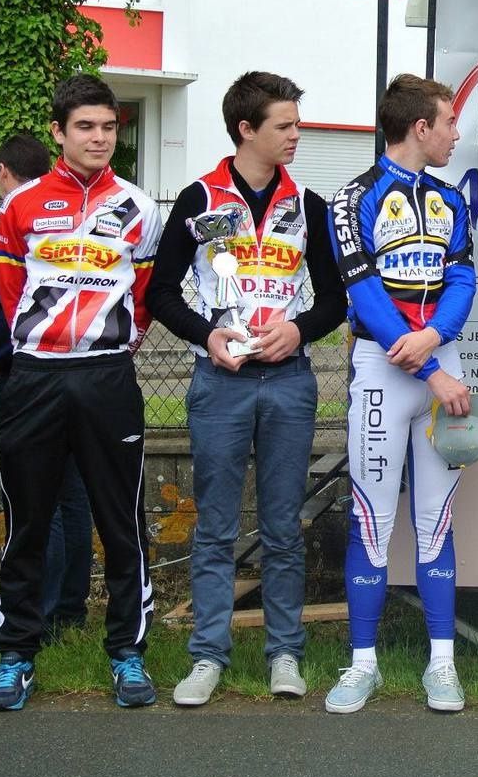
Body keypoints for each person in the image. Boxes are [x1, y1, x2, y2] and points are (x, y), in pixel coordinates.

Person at [148, 72, 347, 708]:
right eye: (284, 126)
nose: (297, 136)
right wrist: (207, 335)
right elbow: (159, 293)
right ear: (246, 129)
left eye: (297, 124)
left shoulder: (309, 205)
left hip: (289, 382)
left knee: (285, 525)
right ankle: (207, 655)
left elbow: (337, 299)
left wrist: (299, 328)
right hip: (221, 381)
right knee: (216, 526)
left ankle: (285, 652)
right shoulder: (197, 198)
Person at [0, 75, 164, 711]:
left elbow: (142, 298)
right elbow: (7, 295)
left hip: (108, 377)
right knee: (28, 519)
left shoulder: (140, 207)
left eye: (109, 127)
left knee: (122, 519)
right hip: (35, 376)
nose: (99, 138)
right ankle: (16, 654)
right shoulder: (23, 203)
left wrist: (109, 344)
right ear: (59, 132)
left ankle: (127, 652)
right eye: (85, 127)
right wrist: (43, 345)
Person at [325, 73, 477, 713]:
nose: (455, 133)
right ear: (421, 127)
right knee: (374, 520)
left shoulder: (451, 198)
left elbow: (465, 280)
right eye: (448, 122)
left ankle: (442, 664)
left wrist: (436, 337)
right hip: (387, 370)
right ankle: (364, 666)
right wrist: (424, 364)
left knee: (436, 523)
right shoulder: (350, 198)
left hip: (437, 364)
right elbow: (359, 293)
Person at [0, 133, 93, 642]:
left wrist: (2, 364)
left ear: (3, 171)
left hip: (30, 375)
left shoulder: (15, 224)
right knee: (73, 496)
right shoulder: (69, 218)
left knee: (36, 497)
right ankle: (70, 608)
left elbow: (6, 310)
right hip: (82, 373)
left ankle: (41, 614)